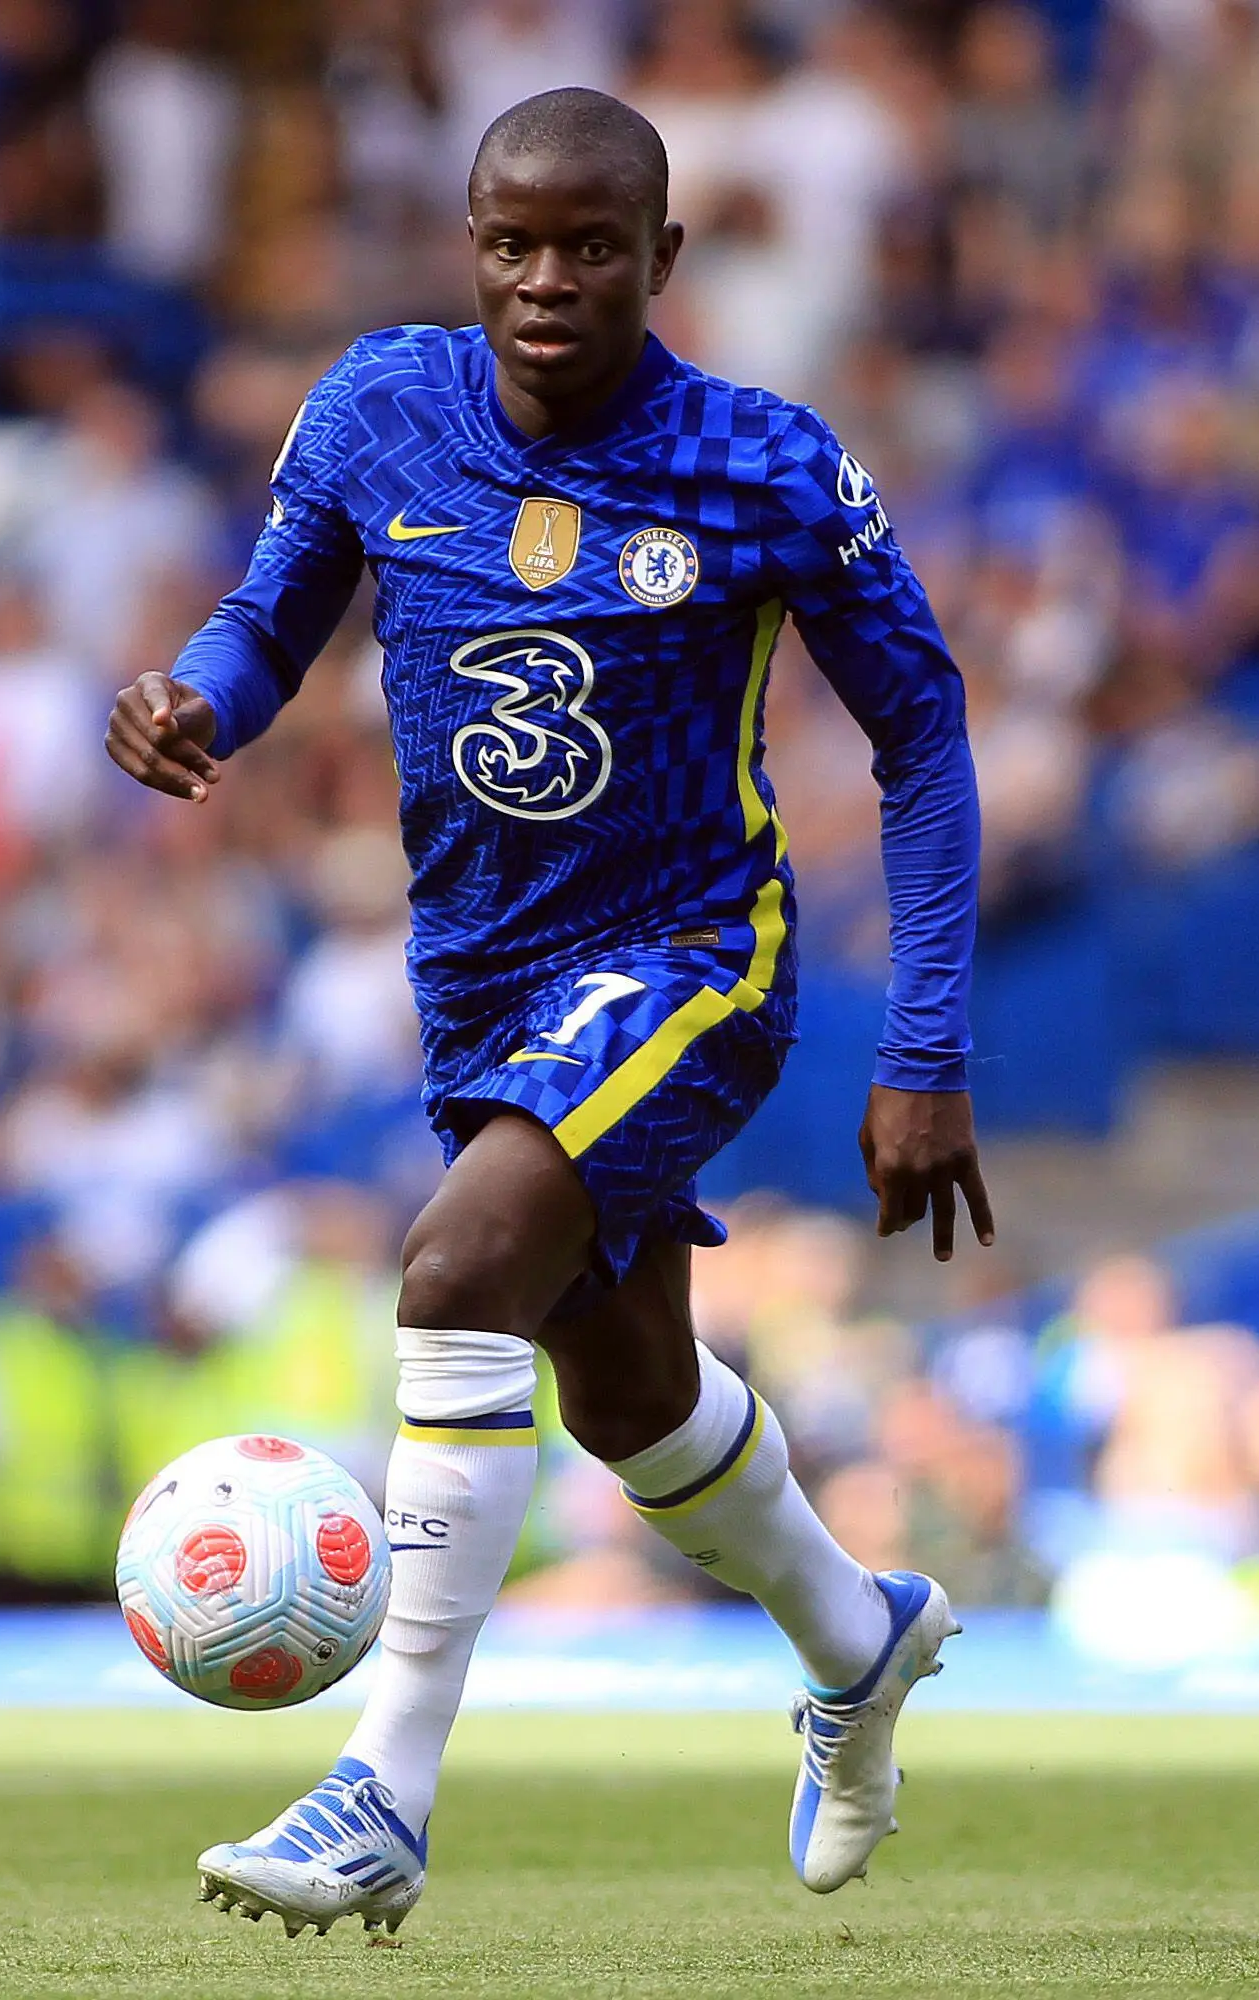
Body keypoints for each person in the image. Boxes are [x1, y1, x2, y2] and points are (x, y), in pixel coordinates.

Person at [104, 87, 989, 1935]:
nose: (549, 280)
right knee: (629, 1393)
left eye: (595, 247)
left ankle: (386, 1793)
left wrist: (925, 1047)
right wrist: (193, 695)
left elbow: (920, 732)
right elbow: (270, 620)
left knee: (453, 1275)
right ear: (472, 245)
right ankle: (859, 1633)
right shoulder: (374, 409)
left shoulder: (761, 462)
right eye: (515, 242)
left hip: (690, 951)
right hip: (482, 974)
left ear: (664, 259)